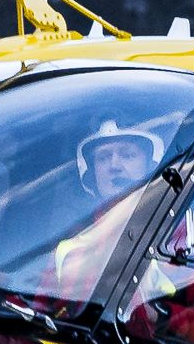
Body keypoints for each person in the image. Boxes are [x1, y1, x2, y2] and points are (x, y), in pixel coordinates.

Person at [42, 120, 163, 301]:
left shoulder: (183, 231)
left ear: (149, 165)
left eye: (127, 155)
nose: (114, 165)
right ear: (93, 172)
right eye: (104, 158)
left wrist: (161, 316)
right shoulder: (68, 245)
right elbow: (41, 313)